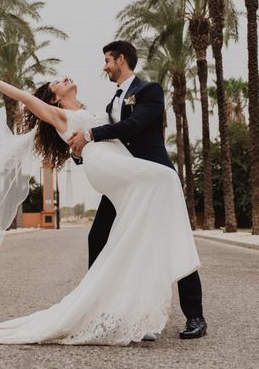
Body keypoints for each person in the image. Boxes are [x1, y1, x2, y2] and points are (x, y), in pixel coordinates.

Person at [0, 59, 203, 346]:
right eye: (56, 82)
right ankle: (107, 309)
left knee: (127, 235)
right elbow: (25, 98)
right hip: (108, 167)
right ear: (54, 97)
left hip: (122, 168)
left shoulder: (93, 110)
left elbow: (124, 130)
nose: (63, 78)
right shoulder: (58, 114)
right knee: (166, 178)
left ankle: (128, 311)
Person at [67, 40, 207, 340]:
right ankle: (97, 308)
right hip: (124, 182)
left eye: (107, 60)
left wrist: (90, 134)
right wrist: (80, 151)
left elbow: (134, 126)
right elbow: (106, 145)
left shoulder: (149, 91)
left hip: (154, 179)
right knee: (98, 236)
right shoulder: (110, 104)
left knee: (174, 241)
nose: (104, 66)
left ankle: (195, 317)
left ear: (121, 59)